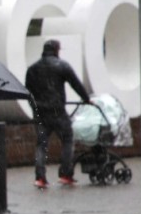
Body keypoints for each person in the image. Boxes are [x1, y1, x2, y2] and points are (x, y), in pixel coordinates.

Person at [24, 39, 91, 188]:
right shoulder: (62, 66)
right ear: (56, 50)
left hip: (40, 112)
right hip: (57, 111)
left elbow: (27, 92)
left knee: (41, 145)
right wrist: (86, 99)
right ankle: (66, 174)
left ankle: (40, 178)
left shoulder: (32, 69)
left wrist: (34, 109)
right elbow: (76, 84)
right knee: (67, 139)